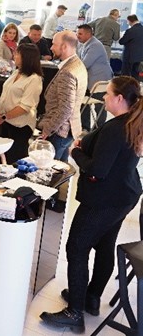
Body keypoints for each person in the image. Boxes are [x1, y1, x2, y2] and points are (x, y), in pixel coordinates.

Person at [40, 76, 143, 334]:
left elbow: (98, 169)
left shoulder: (116, 129)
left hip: (104, 199)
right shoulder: (131, 123)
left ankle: (74, 313)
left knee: (77, 247)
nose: (104, 97)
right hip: (123, 195)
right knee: (105, 245)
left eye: (108, 93)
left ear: (120, 99)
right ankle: (91, 298)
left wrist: (75, 152)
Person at [38, 30, 88, 161]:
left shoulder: (68, 72)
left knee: (49, 169)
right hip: (69, 129)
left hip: (59, 131)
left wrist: (48, 129)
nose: (51, 48)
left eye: (54, 44)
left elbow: (65, 108)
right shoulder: (78, 64)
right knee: (61, 168)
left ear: (64, 46)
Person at [0, 43, 43, 163]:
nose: (14, 56)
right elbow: (6, 93)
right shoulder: (17, 72)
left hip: (20, 125)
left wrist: (4, 117)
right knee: (3, 159)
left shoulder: (34, 79)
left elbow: (25, 106)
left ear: (26, 57)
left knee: (15, 159)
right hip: (6, 122)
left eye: (17, 54)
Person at [76, 24, 113, 131]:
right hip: (89, 80)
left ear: (89, 34)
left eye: (80, 34)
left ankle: (98, 130)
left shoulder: (95, 45)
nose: (77, 36)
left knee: (99, 107)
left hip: (100, 80)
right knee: (83, 103)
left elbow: (84, 64)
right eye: (77, 33)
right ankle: (85, 127)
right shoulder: (84, 44)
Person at [119, 14, 143, 79]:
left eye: (127, 21)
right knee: (135, 75)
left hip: (129, 57)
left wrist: (121, 36)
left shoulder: (130, 31)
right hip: (139, 57)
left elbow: (121, 42)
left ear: (130, 21)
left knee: (125, 76)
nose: (127, 23)